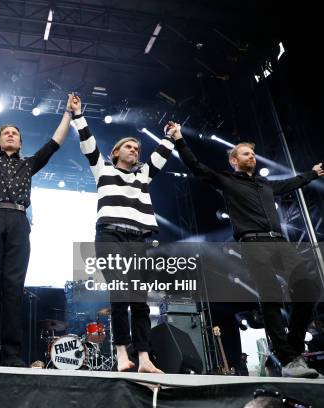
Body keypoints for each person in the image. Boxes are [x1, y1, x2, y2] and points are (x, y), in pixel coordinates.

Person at [167, 121, 324, 378]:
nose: (251, 156)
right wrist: (179, 139)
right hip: (253, 243)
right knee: (271, 297)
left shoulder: (265, 185)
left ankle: (293, 351)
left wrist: (313, 174)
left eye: (252, 153)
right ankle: (289, 359)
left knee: (308, 287)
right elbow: (197, 168)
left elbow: (292, 182)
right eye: (245, 153)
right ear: (234, 161)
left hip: (279, 243)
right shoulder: (227, 180)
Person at [0, 78, 71, 366]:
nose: (10, 135)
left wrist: (68, 113)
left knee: (13, 289)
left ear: (20, 142)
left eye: (15, 133)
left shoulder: (29, 164)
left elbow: (54, 143)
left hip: (19, 220)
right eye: (6, 133)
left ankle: (12, 354)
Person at [71, 95, 172, 373]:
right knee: (120, 294)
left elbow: (159, 158)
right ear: (116, 152)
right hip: (109, 236)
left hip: (136, 239)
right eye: (128, 147)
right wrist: (78, 115)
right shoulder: (102, 170)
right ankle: (120, 355)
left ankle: (143, 359)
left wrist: (170, 138)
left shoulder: (142, 176)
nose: (134, 150)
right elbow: (88, 145)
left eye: (136, 148)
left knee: (140, 300)